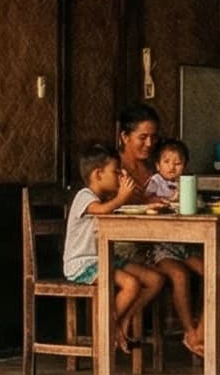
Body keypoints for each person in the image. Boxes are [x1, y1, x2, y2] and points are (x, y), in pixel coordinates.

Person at [65, 142, 162, 352]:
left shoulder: (106, 199)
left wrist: (145, 206)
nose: (120, 176)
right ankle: (108, 328)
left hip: (104, 258)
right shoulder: (85, 196)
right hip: (83, 263)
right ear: (98, 174)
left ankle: (122, 320)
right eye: (116, 171)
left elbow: (115, 208)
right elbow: (102, 210)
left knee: (155, 279)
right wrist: (121, 197)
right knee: (131, 284)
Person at [116, 105, 198, 352]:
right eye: (143, 137)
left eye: (154, 137)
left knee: (187, 270)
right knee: (171, 274)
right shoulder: (114, 169)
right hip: (123, 246)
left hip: (153, 244)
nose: (150, 143)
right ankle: (121, 323)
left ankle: (192, 331)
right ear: (124, 137)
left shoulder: (155, 170)